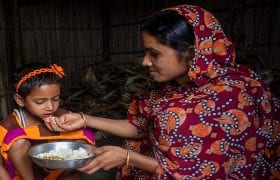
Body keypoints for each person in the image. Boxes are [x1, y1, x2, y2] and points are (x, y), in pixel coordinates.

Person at [46, 4, 280, 179]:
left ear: (189, 53)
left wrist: (128, 157)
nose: (145, 62)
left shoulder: (236, 96)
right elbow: (138, 125)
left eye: (154, 53)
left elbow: (205, 174)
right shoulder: (164, 89)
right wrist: (84, 119)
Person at [0, 63, 95, 180]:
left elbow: (85, 143)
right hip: (26, 175)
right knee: (18, 143)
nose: (50, 107)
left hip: (59, 173)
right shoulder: (10, 124)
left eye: (55, 99)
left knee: (81, 142)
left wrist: (76, 175)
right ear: (20, 100)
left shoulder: (64, 116)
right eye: (40, 102)